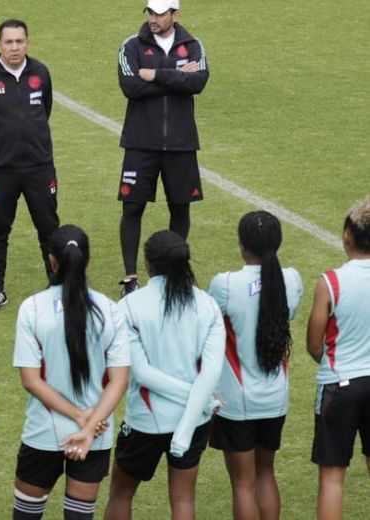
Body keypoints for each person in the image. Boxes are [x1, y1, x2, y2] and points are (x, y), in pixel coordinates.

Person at [12, 226, 130, 520]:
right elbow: (119, 380)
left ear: (52, 260)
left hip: (43, 432)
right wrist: (88, 427)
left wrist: (79, 417)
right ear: (87, 259)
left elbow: (31, 380)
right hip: (96, 434)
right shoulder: (110, 309)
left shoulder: (32, 309)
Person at [104, 230, 225, 520]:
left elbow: (143, 374)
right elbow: (210, 374)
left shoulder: (128, 307)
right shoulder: (207, 304)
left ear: (148, 264)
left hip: (146, 420)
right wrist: (202, 402)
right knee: (184, 500)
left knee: (120, 493)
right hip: (195, 417)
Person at [207, 211, 303, 520]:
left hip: (237, 402)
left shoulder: (226, 285)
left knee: (242, 485)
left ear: (242, 246)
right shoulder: (291, 279)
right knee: (266, 473)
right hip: (275, 399)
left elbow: (207, 328)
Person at [0, 19, 60, 312]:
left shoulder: (40, 73)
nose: (14, 47)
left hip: (39, 167)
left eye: (19, 41)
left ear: (27, 42)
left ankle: (57, 285)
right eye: (9, 42)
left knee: (49, 227)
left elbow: (45, 109)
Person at [115, 0, 209, 297]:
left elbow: (199, 81)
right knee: (132, 207)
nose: (153, 18)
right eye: (150, 12)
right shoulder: (131, 45)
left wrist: (155, 73)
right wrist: (178, 75)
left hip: (181, 144)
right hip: (141, 143)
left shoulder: (193, 45)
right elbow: (130, 86)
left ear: (175, 15)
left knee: (180, 207)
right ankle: (131, 278)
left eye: (160, 13)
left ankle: (173, 275)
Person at [306, 195, 370, 520]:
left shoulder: (330, 282)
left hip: (340, 385)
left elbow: (314, 344)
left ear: (348, 235)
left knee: (332, 478)